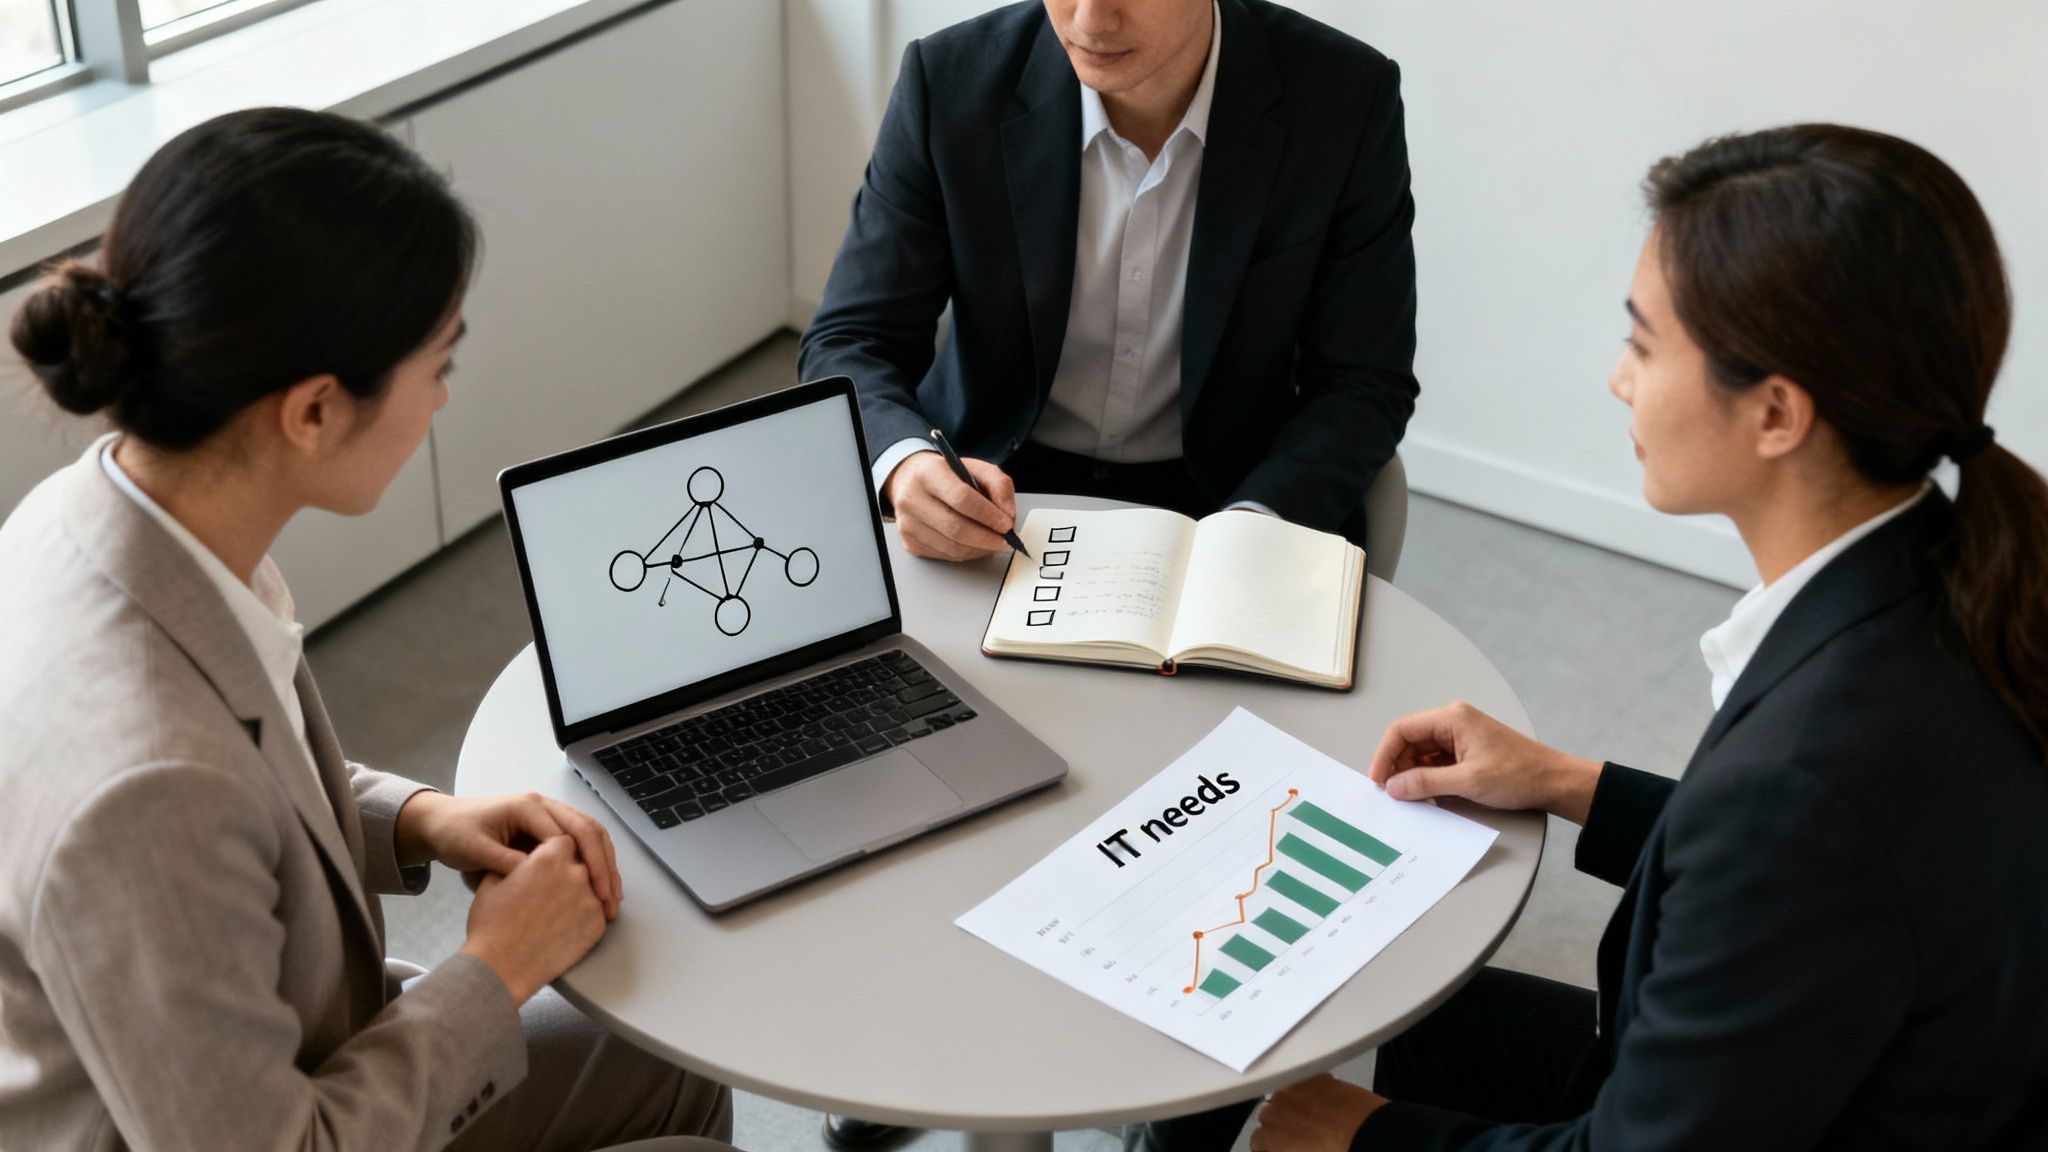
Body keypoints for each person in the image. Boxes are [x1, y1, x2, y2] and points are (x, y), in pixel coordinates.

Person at [1233, 124, 2048, 1149]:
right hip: (1835, 1072)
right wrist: (1565, 781)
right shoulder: (1948, 578)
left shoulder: (1802, 784)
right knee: (1371, 1029)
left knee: (1296, 1100)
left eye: (1644, 345)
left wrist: (1361, 1140)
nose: (1618, 380)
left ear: (1776, 414)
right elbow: (1810, 876)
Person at [0, 108, 735, 1152]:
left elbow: (247, 781)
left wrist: (421, 819)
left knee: (669, 1057)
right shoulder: (144, 791)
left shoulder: (110, 512)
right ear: (312, 411)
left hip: (277, 1057)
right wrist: (496, 967)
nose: (441, 401)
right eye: (439, 366)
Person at [798, 0, 1417, 562]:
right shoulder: (949, 80)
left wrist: (1261, 518)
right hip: (991, 483)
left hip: (1227, 499)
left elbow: (1364, 381)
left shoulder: (1345, 99)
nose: (1091, 20)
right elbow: (852, 338)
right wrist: (906, 463)